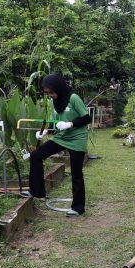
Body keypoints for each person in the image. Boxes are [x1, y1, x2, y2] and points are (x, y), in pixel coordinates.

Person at [22, 73, 91, 216]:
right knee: (36, 156)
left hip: (77, 138)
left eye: (51, 92)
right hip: (62, 137)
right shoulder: (54, 101)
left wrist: (69, 124)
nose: (50, 95)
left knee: (76, 173)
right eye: (47, 93)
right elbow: (54, 122)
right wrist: (45, 131)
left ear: (58, 87)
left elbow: (86, 118)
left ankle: (78, 208)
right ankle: (37, 191)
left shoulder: (73, 98)